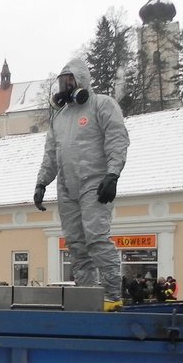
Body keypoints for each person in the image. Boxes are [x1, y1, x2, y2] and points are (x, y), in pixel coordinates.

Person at [34, 58, 130, 311]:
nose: (65, 87)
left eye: (70, 82)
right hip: (67, 186)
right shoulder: (60, 117)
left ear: (81, 81)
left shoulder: (102, 105)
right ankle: (87, 295)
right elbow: (51, 153)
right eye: (62, 82)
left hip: (94, 182)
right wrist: (42, 182)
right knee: (76, 244)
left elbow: (117, 139)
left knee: (96, 238)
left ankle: (112, 294)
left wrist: (112, 174)